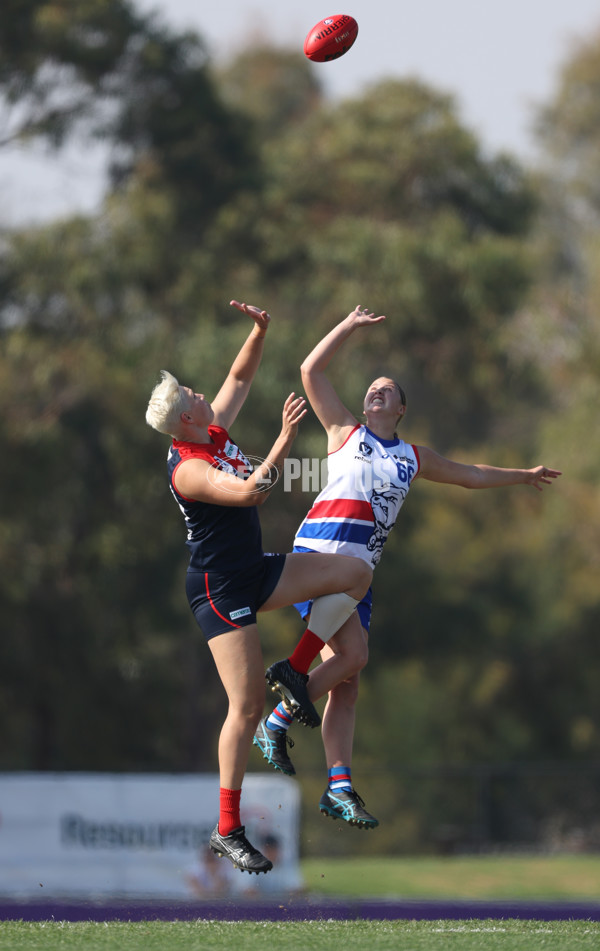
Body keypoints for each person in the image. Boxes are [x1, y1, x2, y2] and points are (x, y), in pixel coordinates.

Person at [254, 305, 562, 829]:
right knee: (354, 653)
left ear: (400, 409)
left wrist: (522, 475)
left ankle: (338, 787)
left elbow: (470, 474)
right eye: (372, 387)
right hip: (321, 559)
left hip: (358, 577)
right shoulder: (343, 432)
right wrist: (348, 326)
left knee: (349, 676)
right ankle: (278, 718)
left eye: (387, 388)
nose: (376, 390)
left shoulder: (413, 457)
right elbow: (311, 371)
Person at [145, 300, 372, 875]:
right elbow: (251, 493)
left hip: (255, 569)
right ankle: (227, 829)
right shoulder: (188, 467)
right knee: (244, 708)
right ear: (187, 421)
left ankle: (295, 670)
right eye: (194, 395)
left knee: (354, 573)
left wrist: (259, 330)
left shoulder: (210, 427)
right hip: (220, 588)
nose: (202, 393)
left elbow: (240, 376)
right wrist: (284, 438)